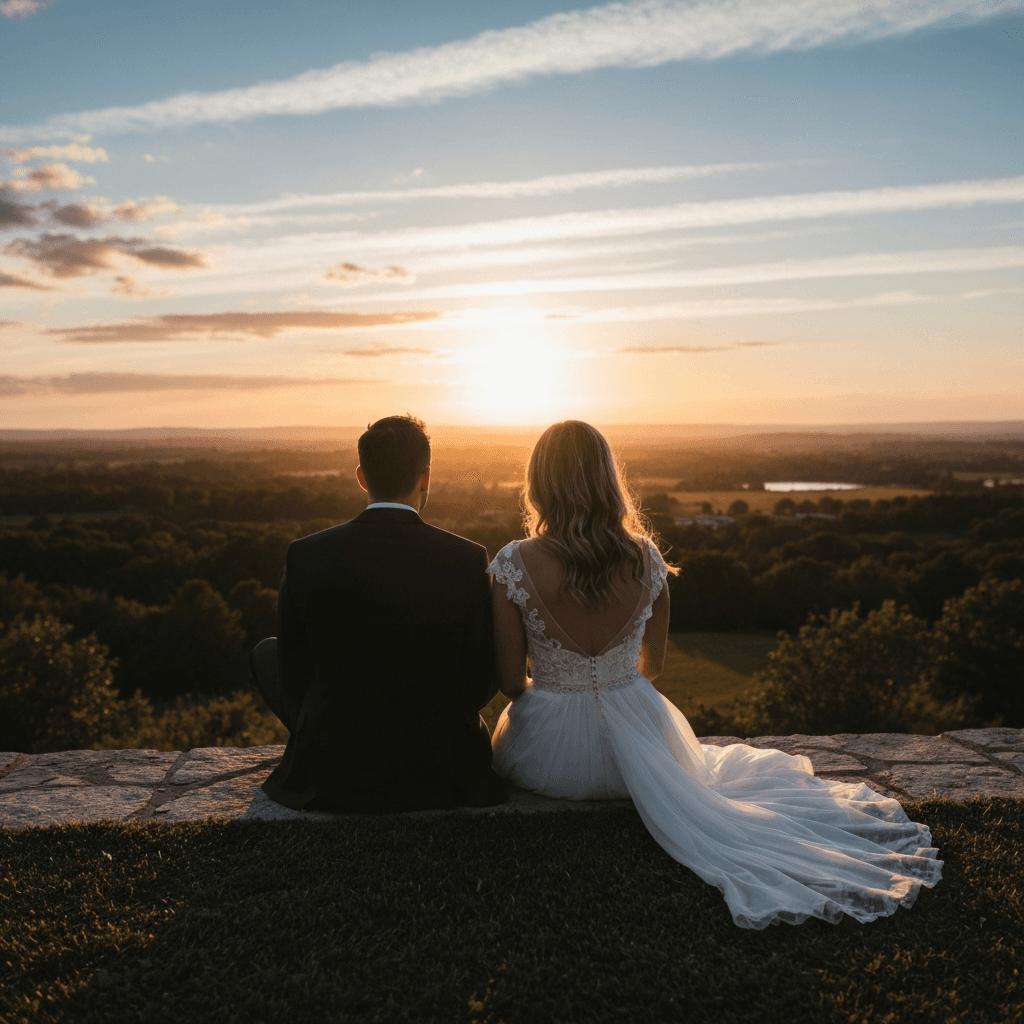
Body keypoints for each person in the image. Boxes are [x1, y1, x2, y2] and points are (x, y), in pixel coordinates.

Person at [487, 420, 941, 929]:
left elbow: (508, 679)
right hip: (640, 746)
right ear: (606, 479)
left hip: (546, 759)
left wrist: (559, 696)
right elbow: (651, 669)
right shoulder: (646, 557)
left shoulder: (512, 563)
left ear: (539, 481)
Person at [254, 415, 507, 812]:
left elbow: (293, 676)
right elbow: (481, 681)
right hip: (440, 765)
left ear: (361, 476)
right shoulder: (467, 559)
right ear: (425, 477)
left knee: (265, 654)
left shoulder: (306, 556)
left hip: (335, 769)